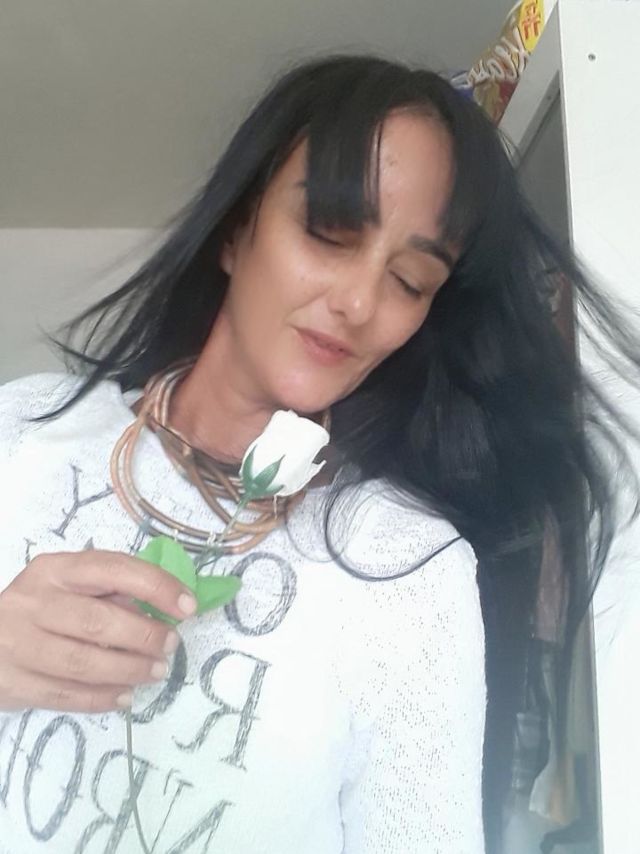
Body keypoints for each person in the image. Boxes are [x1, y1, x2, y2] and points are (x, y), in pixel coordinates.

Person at [0, 55, 638, 854]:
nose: (361, 302)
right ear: (237, 228)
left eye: (410, 281)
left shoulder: (406, 566)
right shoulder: (24, 427)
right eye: (331, 233)